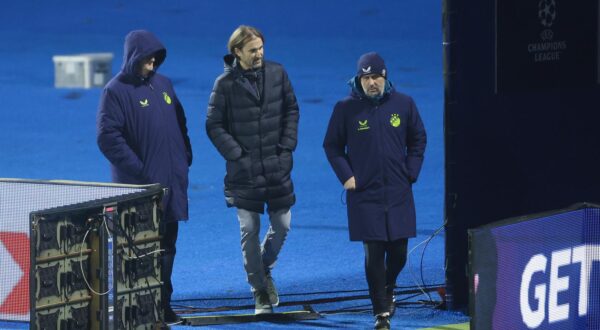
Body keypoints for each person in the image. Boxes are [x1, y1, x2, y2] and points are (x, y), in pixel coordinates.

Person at [323, 52, 427, 330]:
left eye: (376, 77)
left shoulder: (404, 104)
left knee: (399, 253)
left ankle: (389, 284)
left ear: (385, 76)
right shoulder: (345, 109)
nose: (372, 82)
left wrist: (411, 171)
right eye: (366, 77)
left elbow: (418, 138)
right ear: (359, 79)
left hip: (398, 190)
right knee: (374, 254)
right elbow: (332, 146)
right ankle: (381, 312)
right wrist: (346, 176)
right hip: (364, 194)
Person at [96, 30, 192, 324]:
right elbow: (107, 137)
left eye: (156, 57)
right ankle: (139, 307)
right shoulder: (115, 91)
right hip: (140, 189)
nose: (152, 61)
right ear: (133, 56)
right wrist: (139, 170)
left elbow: (180, 122)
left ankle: (163, 305)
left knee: (168, 248)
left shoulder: (164, 84)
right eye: (147, 57)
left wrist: (185, 156)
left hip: (172, 183)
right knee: (140, 250)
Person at [205, 25, 299, 315]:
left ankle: (264, 267)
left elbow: (291, 109)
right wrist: (237, 155)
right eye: (252, 50)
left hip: (276, 166)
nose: (259, 54)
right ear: (237, 52)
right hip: (243, 173)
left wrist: (286, 148)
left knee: (283, 226)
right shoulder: (224, 84)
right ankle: (259, 290)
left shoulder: (278, 73)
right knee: (249, 230)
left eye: (261, 48)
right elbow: (213, 125)